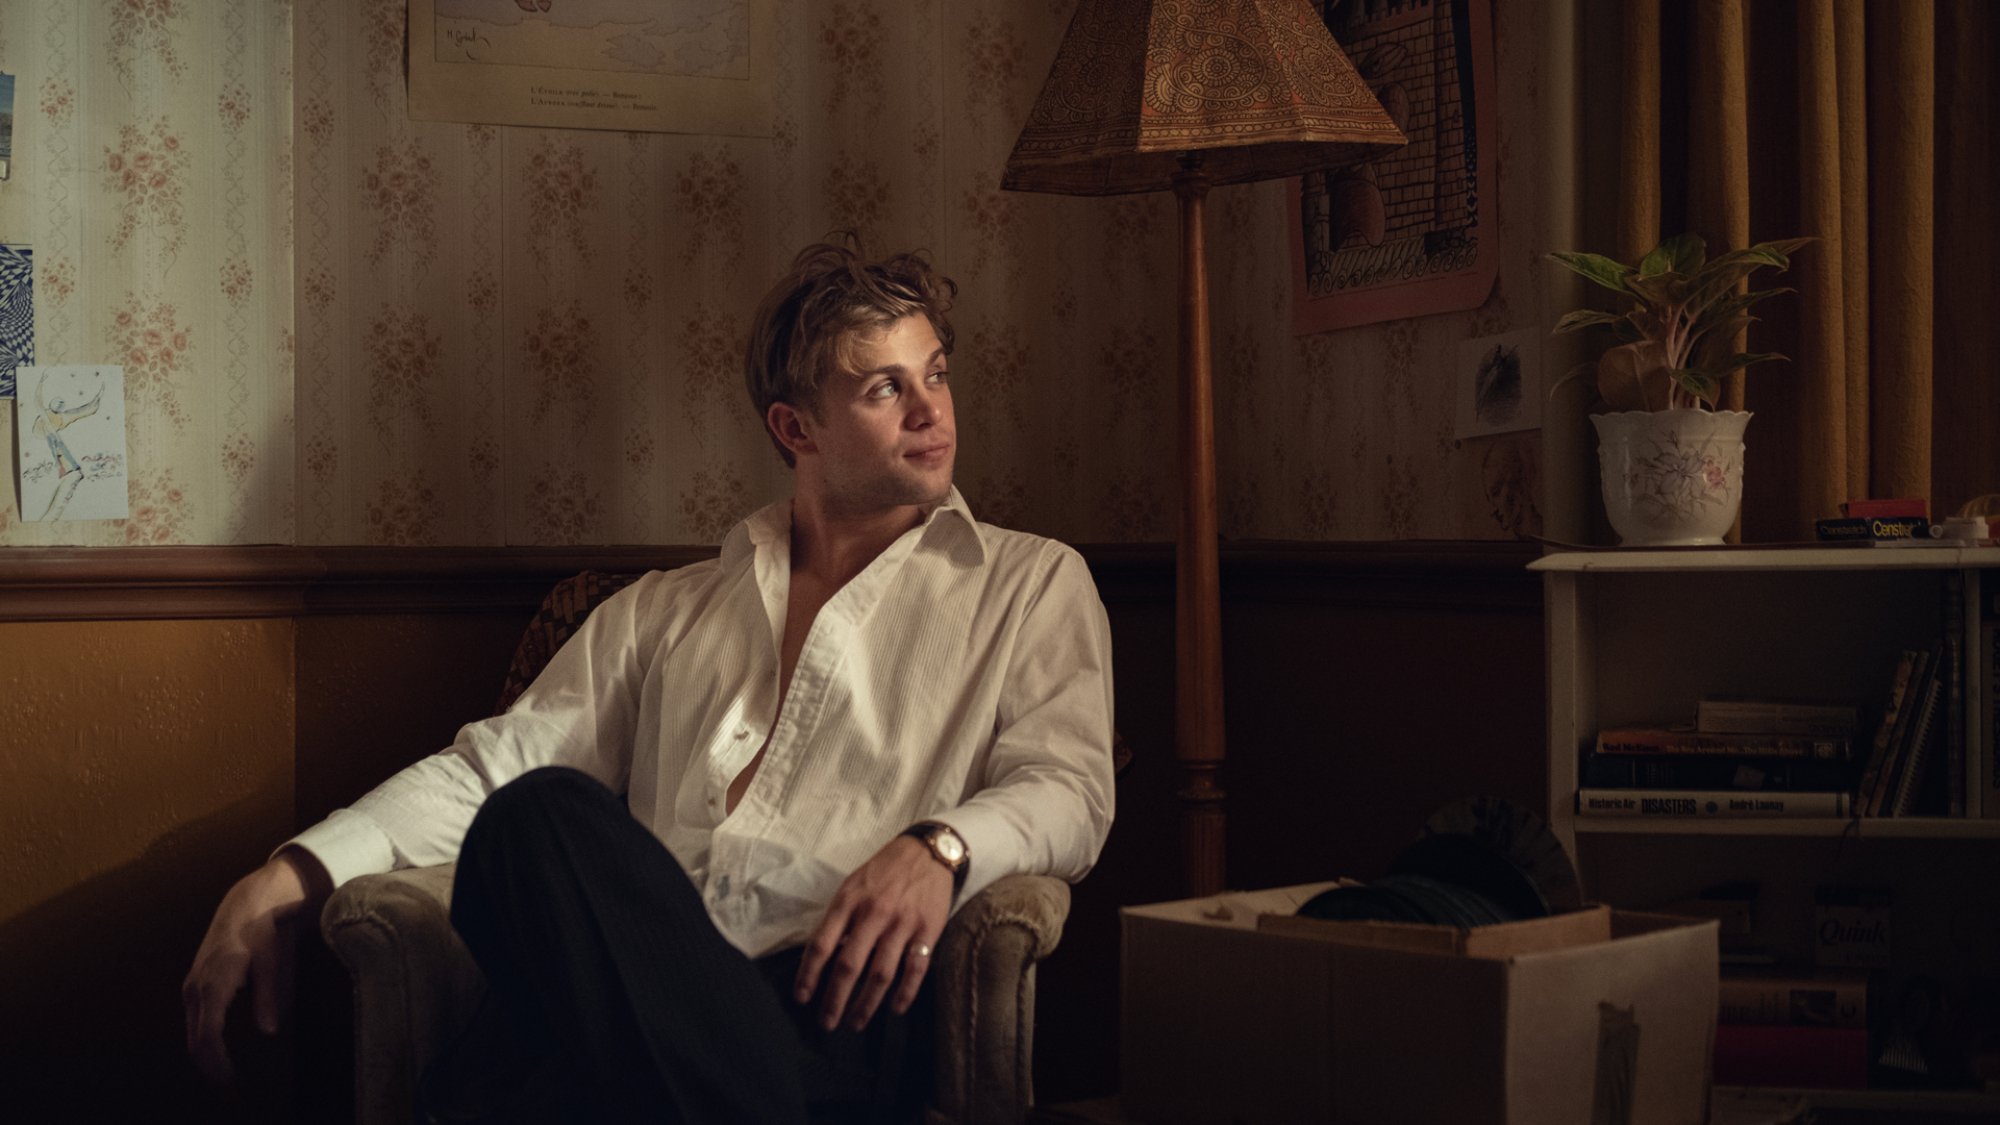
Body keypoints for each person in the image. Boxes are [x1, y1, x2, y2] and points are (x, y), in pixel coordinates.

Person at [181, 240, 1117, 1122]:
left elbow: (1071, 790)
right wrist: (286, 875)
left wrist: (941, 847)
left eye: (937, 372)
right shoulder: (664, 611)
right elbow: (488, 774)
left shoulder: (1033, 582)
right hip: (647, 986)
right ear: (796, 428)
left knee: (522, 1073)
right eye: (886, 386)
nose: (932, 410)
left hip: (842, 1005)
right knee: (532, 816)